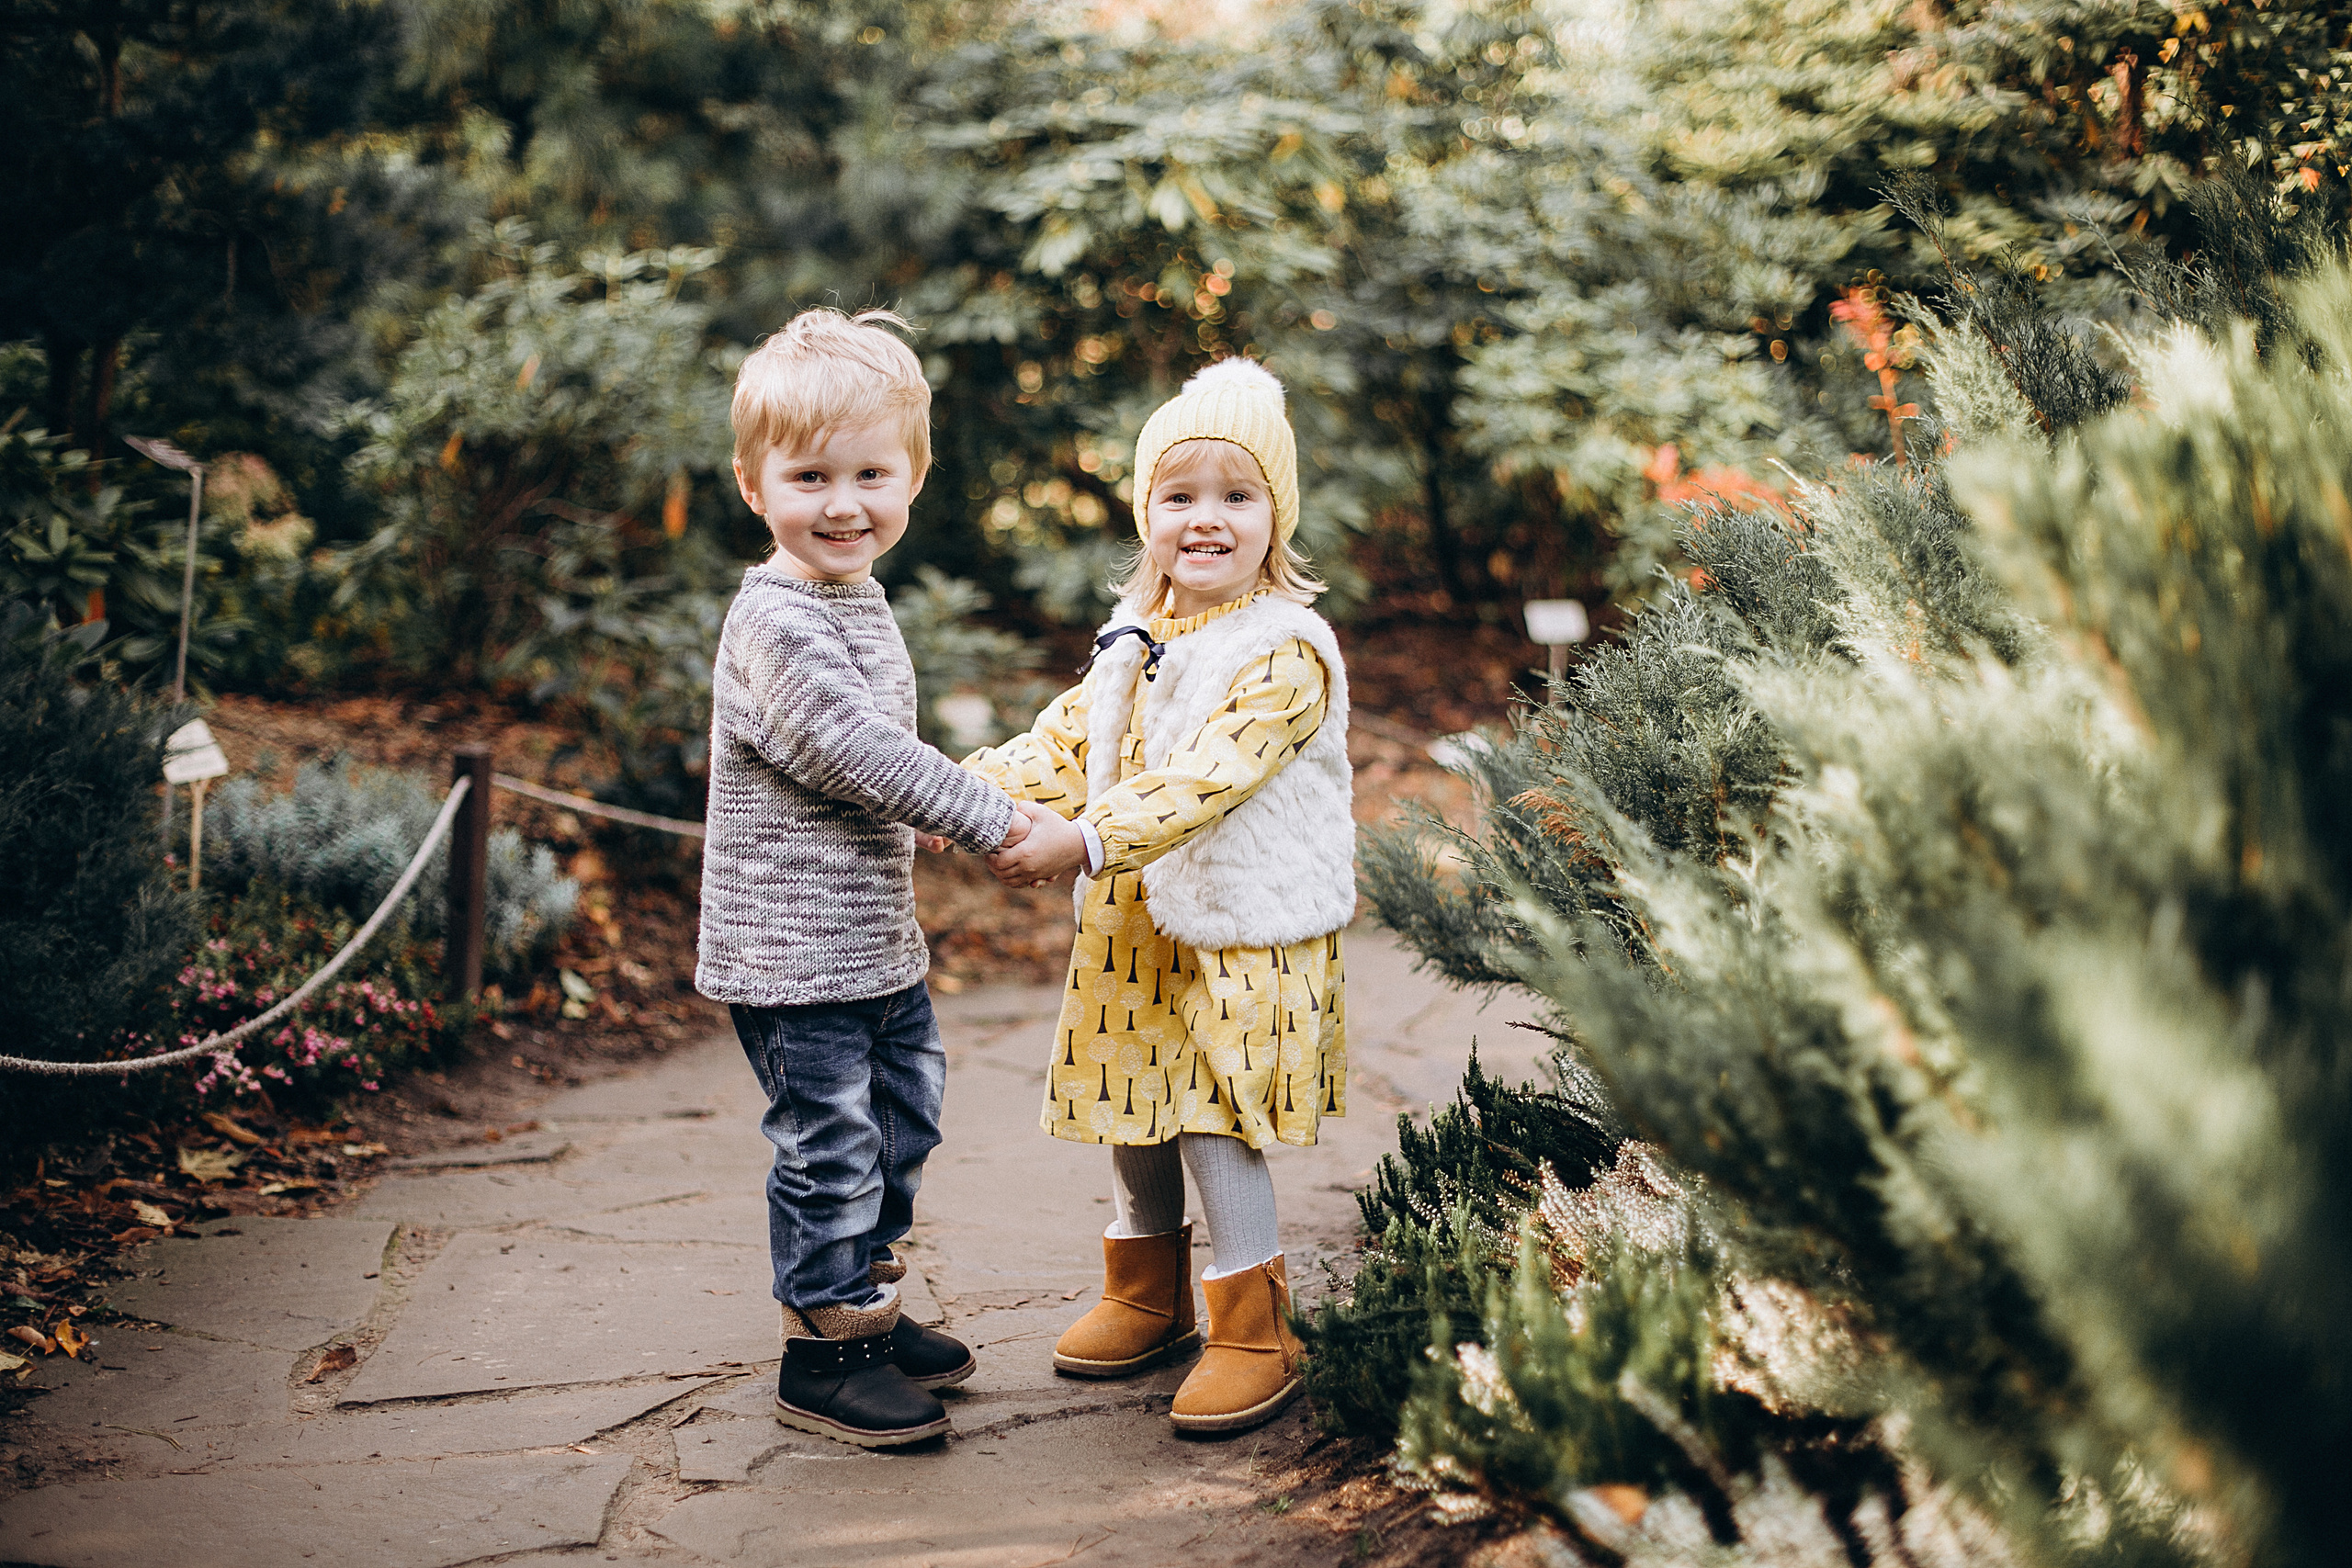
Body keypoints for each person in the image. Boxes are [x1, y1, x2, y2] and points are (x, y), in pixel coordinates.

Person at [964, 356, 1352, 1435]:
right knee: (1130, 1102)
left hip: (1237, 930)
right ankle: (1147, 1294)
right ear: (1146, 515)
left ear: (1276, 515)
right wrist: (953, 794)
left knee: (1211, 1117)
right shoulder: (1135, 638)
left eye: (1236, 496)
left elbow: (1207, 779)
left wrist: (1082, 841)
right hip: (1135, 917)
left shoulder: (1285, 653)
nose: (1206, 520)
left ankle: (1252, 1328)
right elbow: (1064, 744)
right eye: (1179, 497)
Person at [696, 307, 1029, 1449]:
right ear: (755, 485)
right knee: (833, 1147)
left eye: (871, 473)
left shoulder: (851, 596)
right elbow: (851, 748)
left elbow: (865, 761)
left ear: (913, 478)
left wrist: (917, 821)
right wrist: (980, 816)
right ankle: (823, 1353)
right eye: (809, 475)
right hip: (793, 959)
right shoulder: (776, 620)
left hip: (870, 940)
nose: (844, 503)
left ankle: (868, 1309)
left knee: (903, 1125)